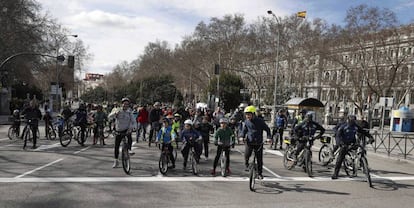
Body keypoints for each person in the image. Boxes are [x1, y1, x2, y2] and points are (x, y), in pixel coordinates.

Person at [331, 115, 374, 179]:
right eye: (351, 121)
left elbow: (363, 132)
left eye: (353, 121)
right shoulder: (343, 126)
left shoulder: (355, 126)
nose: (352, 122)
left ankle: (365, 167)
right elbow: (338, 136)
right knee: (340, 158)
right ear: (348, 120)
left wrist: (370, 137)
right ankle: (335, 173)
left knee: (362, 151)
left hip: (352, 142)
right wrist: (340, 143)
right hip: (344, 143)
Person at [239, 105, 271, 179]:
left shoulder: (260, 121)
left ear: (253, 114)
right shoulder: (246, 122)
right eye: (246, 114)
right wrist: (241, 137)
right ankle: (247, 165)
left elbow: (267, 129)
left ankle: (260, 173)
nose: (247, 116)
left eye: (249, 114)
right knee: (246, 155)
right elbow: (244, 131)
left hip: (258, 142)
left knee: (259, 159)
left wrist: (269, 138)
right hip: (249, 142)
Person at [108, 97, 136, 168]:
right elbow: (109, 117)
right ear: (122, 104)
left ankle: (129, 149)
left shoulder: (129, 112)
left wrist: (132, 128)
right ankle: (116, 160)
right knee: (116, 146)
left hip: (126, 130)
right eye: (124, 104)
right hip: (118, 130)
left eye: (127, 104)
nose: (125, 105)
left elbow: (133, 122)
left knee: (129, 137)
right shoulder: (117, 110)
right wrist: (115, 113)